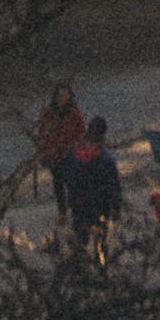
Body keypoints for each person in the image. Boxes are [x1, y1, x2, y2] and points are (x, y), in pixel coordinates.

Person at [56, 113, 125, 268]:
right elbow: (114, 185)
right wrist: (116, 207)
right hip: (101, 204)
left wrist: (64, 204)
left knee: (80, 240)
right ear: (103, 134)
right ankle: (101, 272)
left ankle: (79, 272)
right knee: (100, 242)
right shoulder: (107, 158)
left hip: (78, 203)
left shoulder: (72, 154)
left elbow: (59, 177)